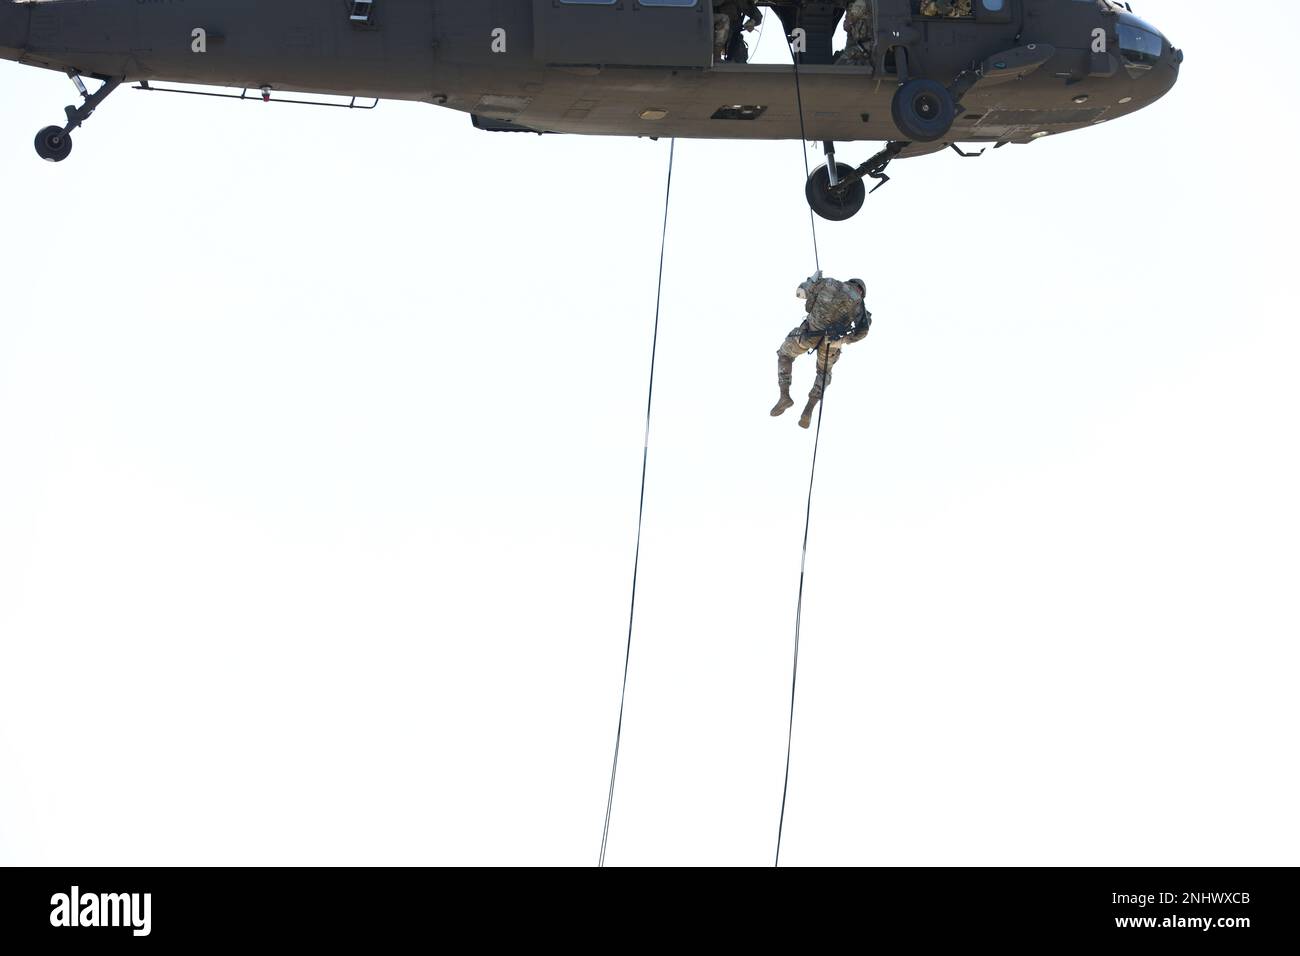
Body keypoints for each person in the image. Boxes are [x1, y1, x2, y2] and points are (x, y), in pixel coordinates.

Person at [771, 274, 872, 428]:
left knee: (785, 355)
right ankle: (808, 409)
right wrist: (843, 340)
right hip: (831, 343)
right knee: (823, 373)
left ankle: (784, 396)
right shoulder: (859, 304)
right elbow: (863, 331)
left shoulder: (829, 283)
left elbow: (806, 302)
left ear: (848, 282)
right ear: (861, 291)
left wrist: (812, 280)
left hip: (808, 334)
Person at [836, 0, 874, 68]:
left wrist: (848, 22)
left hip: (870, 44)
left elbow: (847, 25)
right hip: (863, 44)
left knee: (842, 62)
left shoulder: (860, 4)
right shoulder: (855, 5)